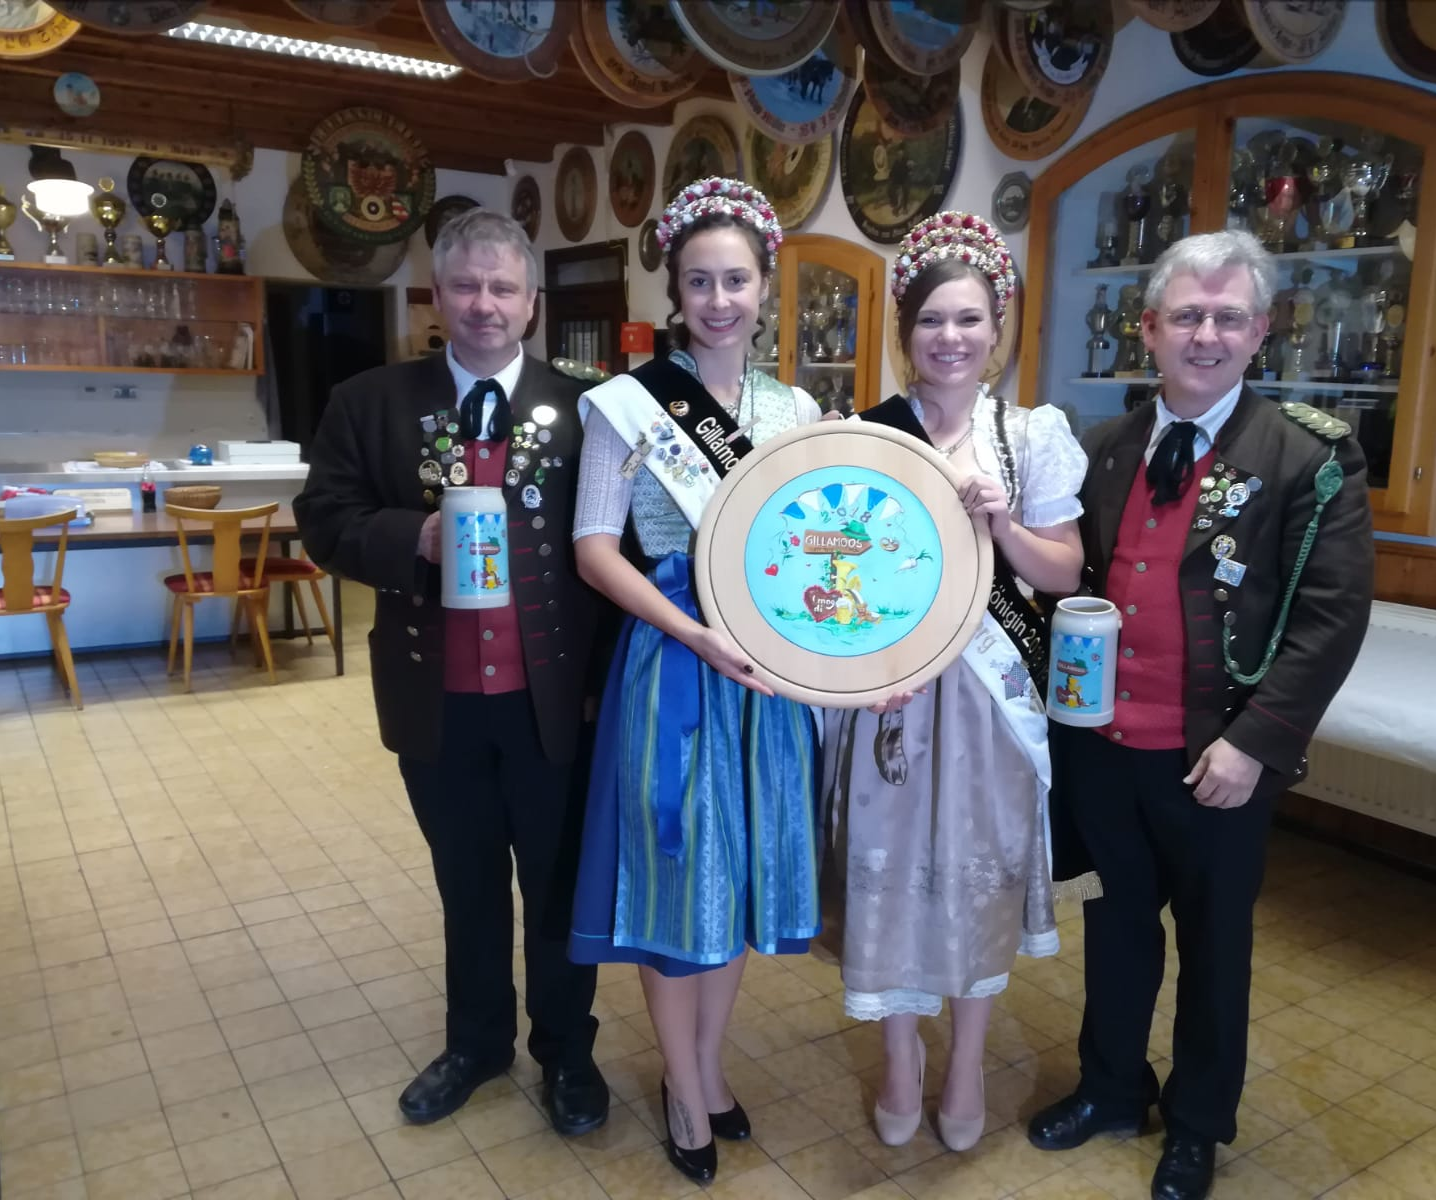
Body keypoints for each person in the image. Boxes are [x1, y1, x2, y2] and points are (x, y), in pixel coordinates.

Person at [1025, 229, 1374, 1200]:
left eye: (1228, 317)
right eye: (1186, 316)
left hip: (1216, 758)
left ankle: (1196, 1124)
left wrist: (1256, 745)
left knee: (1215, 948)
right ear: (1149, 329)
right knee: (1115, 927)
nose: (1206, 335)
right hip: (1103, 749)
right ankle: (1110, 1088)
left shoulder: (1308, 456)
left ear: (1260, 331)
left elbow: (1331, 618)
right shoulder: (1101, 449)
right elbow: (1065, 585)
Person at [294, 208, 610, 1136]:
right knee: (465, 883)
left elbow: (619, 547)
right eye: (466, 285)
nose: (484, 304)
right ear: (437, 296)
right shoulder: (370, 401)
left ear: (532, 303)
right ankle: (476, 1045)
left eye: (503, 287)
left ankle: (567, 1050)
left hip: (556, 702)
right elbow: (324, 521)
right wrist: (415, 536)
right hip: (435, 701)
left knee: (556, 885)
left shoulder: (589, 409)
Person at [567, 178, 824, 1186]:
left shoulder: (796, 410)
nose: (720, 300)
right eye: (700, 281)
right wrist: (692, 632)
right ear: (675, 290)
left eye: (737, 280)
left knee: (738, 882)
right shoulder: (628, 406)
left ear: (764, 287)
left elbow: (808, 549)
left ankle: (710, 1069)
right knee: (679, 886)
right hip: (673, 665)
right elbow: (596, 548)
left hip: (764, 678)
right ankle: (681, 1086)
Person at [818, 212, 1090, 1154]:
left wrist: (1004, 525)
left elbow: (1064, 571)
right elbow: (830, 569)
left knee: (977, 883)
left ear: (996, 328)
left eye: (970, 319)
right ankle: (900, 1058)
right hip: (889, 695)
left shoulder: (1030, 435)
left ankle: (966, 1063)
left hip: (989, 702)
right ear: (906, 331)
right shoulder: (866, 433)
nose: (951, 337)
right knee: (888, 878)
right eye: (932, 319)